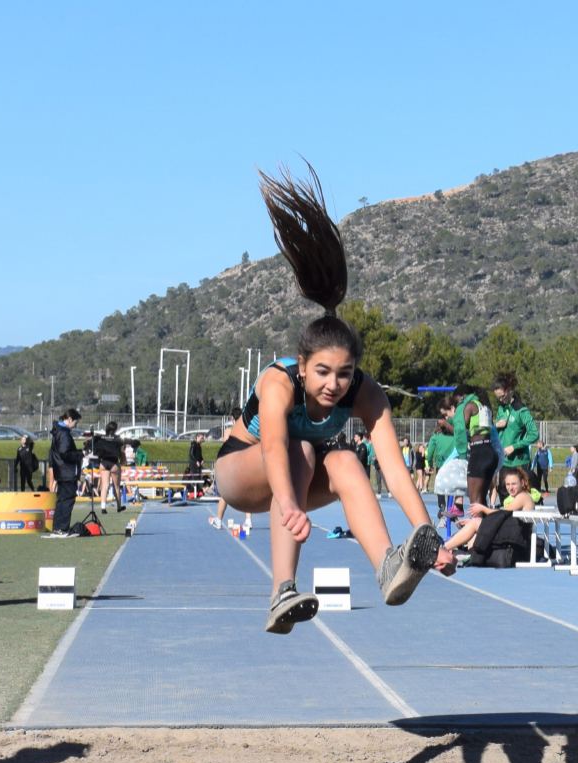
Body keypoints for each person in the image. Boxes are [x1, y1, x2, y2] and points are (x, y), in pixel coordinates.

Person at [214, 162, 455, 634]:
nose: (333, 384)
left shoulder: (366, 394)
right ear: (302, 366)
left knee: (346, 461)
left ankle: (388, 565)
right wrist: (287, 504)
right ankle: (282, 589)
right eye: (322, 372)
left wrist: (432, 537)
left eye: (344, 374)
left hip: (296, 479)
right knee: (302, 447)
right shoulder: (278, 383)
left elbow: (397, 473)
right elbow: (272, 447)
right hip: (241, 471)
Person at [444, 467, 535, 554]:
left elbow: (502, 514)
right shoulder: (520, 496)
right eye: (508, 484)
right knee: (475, 523)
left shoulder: (522, 497)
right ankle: (470, 554)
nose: (510, 488)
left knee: (476, 523)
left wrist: (482, 508)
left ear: (522, 483)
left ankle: (443, 548)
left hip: (517, 538)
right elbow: (502, 517)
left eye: (514, 484)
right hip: (513, 533)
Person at [451, 383, 501, 516]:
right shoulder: (485, 406)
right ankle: (487, 532)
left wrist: (446, 424)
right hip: (490, 452)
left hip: (478, 453)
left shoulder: (470, 406)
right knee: (482, 503)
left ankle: (478, 534)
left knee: (475, 503)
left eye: (458, 402)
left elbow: (460, 429)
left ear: (463, 396)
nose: (459, 406)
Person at [209, 408, 252, 530]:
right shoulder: (247, 430)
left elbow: (226, 445)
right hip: (244, 462)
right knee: (247, 492)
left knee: (225, 493)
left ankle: (218, 519)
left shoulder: (229, 431)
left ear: (233, 418)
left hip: (232, 464)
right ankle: (248, 520)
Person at [48, 408, 83, 537]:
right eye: (75, 423)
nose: (75, 426)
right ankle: (62, 528)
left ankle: (57, 527)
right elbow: (65, 453)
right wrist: (81, 453)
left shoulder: (58, 432)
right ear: (69, 419)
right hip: (67, 472)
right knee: (67, 500)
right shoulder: (64, 434)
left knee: (61, 500)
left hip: (61, 472)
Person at [97, 421, 126, 514]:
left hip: (104, 462)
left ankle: (103, 507)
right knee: (116, 486)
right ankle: (119, 506)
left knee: (105, 486)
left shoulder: (103, 439)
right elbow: (120, 453)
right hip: (114, 462)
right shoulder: (117, 440)